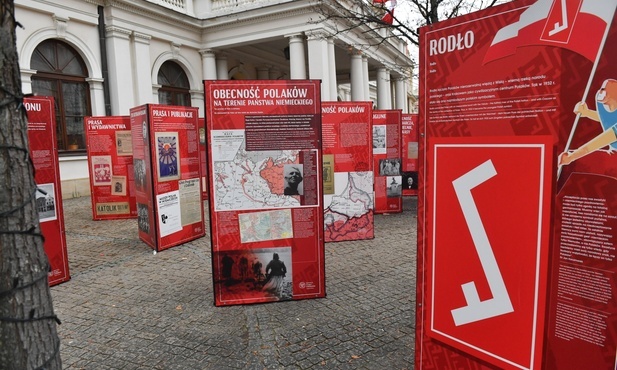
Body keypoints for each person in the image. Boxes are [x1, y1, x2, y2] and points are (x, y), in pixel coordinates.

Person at [559, 79, 617, 166]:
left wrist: (572, 156)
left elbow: (604, 139)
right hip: (613, 153)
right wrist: (587, 112)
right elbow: (605, 119)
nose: (599, 91)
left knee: (573, 161)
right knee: (569, 161)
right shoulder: (601, 102)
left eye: (604, 89)